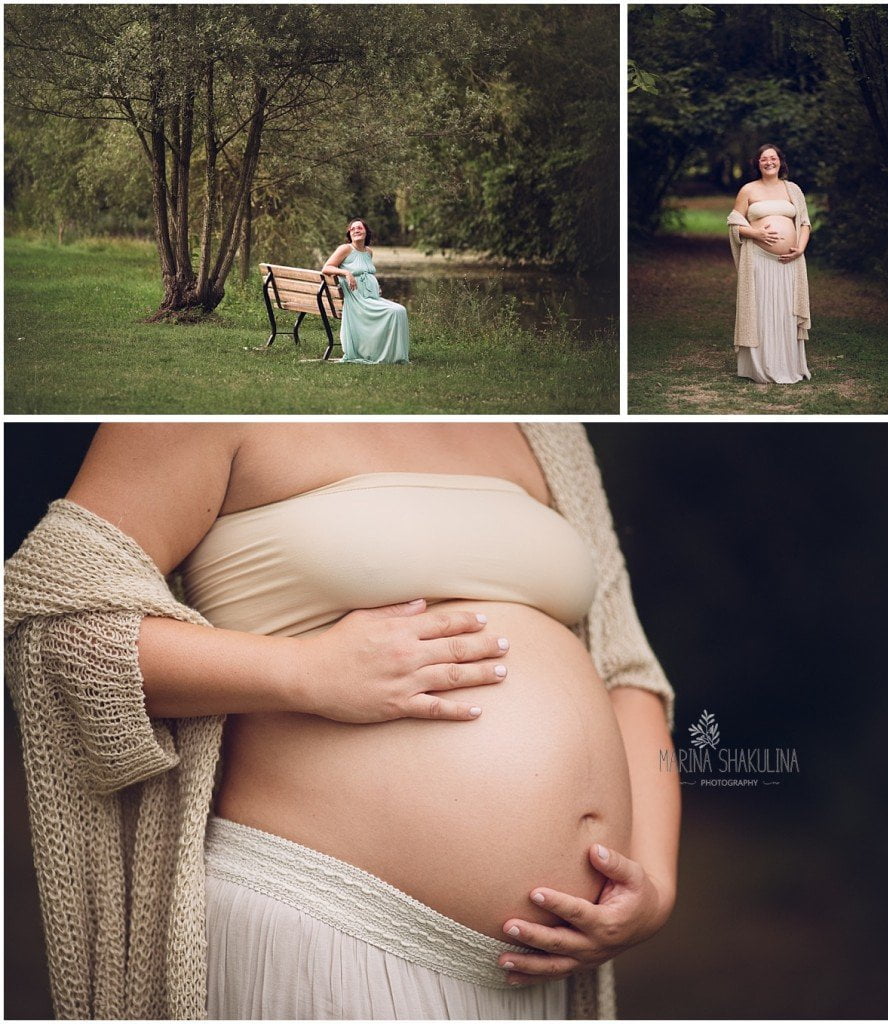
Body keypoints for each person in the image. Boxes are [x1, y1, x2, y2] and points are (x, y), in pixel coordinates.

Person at [5, 422, 679, 1020]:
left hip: (540, 971)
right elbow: (58, 627)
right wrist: (306, 672)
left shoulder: (544, 427)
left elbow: (625, 669)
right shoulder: (205, 407)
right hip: (329, 926)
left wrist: (654, 879)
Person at [727, 143, 812, 384]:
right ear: (758, 164)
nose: (769, 162)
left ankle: (788, 364)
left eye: (773, 158)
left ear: (780, 162)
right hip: (758, 259)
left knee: (786, 311)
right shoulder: (748, 190)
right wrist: (757, 234)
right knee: (761, 309)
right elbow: (734, 223)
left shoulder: (793, 190)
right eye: (764, 159)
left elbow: (804, 223)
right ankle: (759, 366)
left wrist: (800, 249)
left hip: (788, 262)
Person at [322, 219, 410, 363]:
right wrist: (346, 273)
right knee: (395, 312)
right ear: (349, 234)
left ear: (366, 232)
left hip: (372, 297)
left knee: (400, 310)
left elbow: (367, 273)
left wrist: (375, 285)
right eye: (353, 229)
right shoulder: (345, 249)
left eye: (360, 228)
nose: (356, 230)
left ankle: (393, 355)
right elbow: (326, 268)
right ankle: (383, 354)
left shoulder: (369, 251)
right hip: (357, 301)